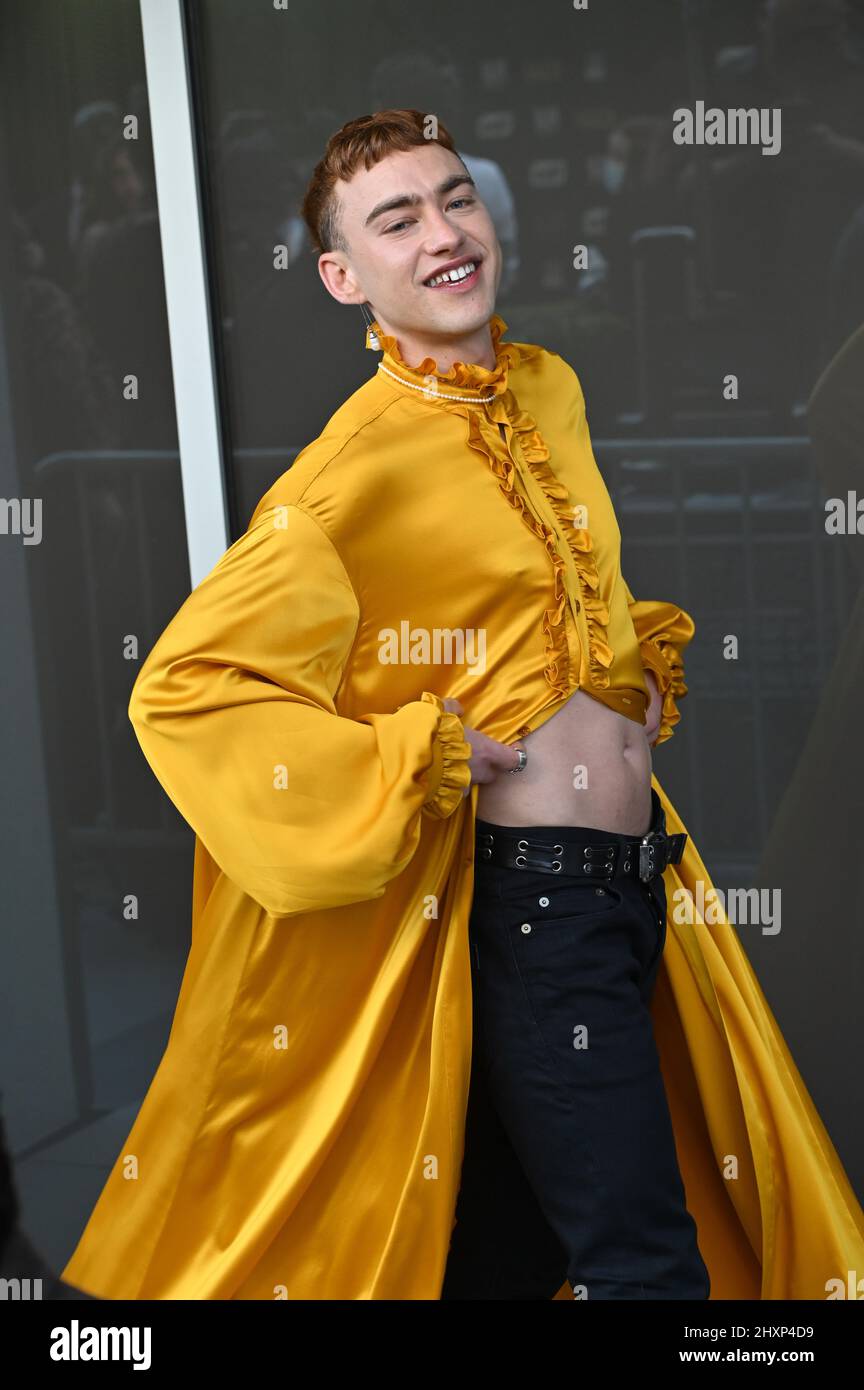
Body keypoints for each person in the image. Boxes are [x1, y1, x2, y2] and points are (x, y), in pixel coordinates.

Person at [62, 109, 864, 1300]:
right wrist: (417, 756)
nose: (443, 233)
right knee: (648, 1263)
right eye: (397, 219)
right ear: (343, 276)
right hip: (537, 909)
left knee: (494, 1248)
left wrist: (624, 672)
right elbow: (184, 686)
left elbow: (562, 591)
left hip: (638, 880)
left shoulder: (549, 389)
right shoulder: (349, 473)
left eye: (456, 200)